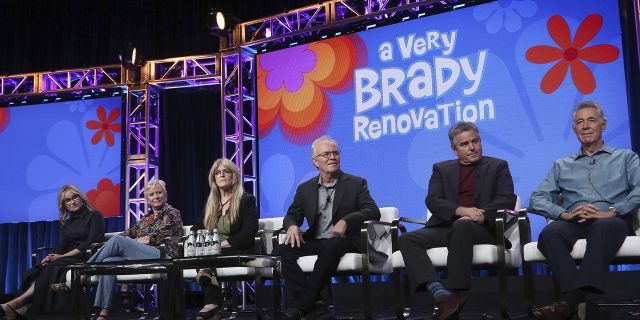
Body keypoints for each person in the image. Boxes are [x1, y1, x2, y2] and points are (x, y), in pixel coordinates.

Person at [529, 101, 640, 320]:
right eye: (580, 122)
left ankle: (569, 303)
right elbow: (537, 198)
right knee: (550, 234)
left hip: (613, 222)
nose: (586, 126)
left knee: (602, 227)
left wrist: (612, 211)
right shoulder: (562, 165)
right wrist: (565, 214)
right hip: (575, 223)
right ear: (574, 129)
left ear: (603, 124)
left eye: (591, 120)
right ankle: (583, 306)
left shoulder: (626, 158)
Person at [398, 122, 517, 320]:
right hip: (447, 226)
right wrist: (460, 210)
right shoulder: (441, 169)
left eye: (475, 141)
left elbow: (507, 199)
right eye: (465, 144)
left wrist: (480, 214)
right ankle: (441, 295)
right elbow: (433, 200)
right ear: (454, 150)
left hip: (483, 228)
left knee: (463, 225)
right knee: (406, 239)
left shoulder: (498, 166)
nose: (472, 147)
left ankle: (456, 292)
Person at [272, 135, 380, 320]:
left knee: (331, 245)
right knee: (281, 250)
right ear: (315, 161)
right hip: (317, 240)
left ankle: (303, 306)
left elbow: (372, 211)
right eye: (326, 154)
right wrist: (291, 227)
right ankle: (317, 305)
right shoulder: (305, 189)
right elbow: (292, 215)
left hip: (346, 240)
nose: (332, 157)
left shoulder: (355, 183)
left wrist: (346, 221)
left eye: (335, 153)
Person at [0, 185, 105, 319]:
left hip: (88, 257)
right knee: (39, 269)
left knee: (54, 266)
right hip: (67, 258)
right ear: (64, 205)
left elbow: (91, 243)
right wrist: (50, 256)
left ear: (81, 197)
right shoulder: (66, 224)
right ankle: (23, 309)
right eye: (67, 200)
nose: (72, 202)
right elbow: (61, 247)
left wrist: (61, 256)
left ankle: (18, 303)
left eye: (75, 197)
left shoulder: (95, 215)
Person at [86, 179, 183, 320]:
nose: (156, 197)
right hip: (144, 256)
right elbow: (127, 234)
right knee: (108, 261)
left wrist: (138, 240)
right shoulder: (146, 219)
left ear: (165, 195)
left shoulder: (172, 213)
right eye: (152, 194)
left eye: (159, 193)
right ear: (147, 199)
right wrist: (134, 240)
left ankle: (84, 271)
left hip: (164, 255)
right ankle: (103, 313)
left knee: (118, 241)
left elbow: (162, 235)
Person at [190, 159, 259, 319]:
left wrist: (223, 244)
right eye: (217, 173)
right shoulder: (211, 203)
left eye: (225, 172)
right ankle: (211, 302)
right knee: (203, 253)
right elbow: (197, 226)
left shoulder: (246, 200)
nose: (221, 175)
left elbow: (250, 231)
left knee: (206, 258)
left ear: (234, 176)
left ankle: (212, 304)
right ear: (213, 178)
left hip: (238, 250)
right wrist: (202, 235)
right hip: (213, 253)